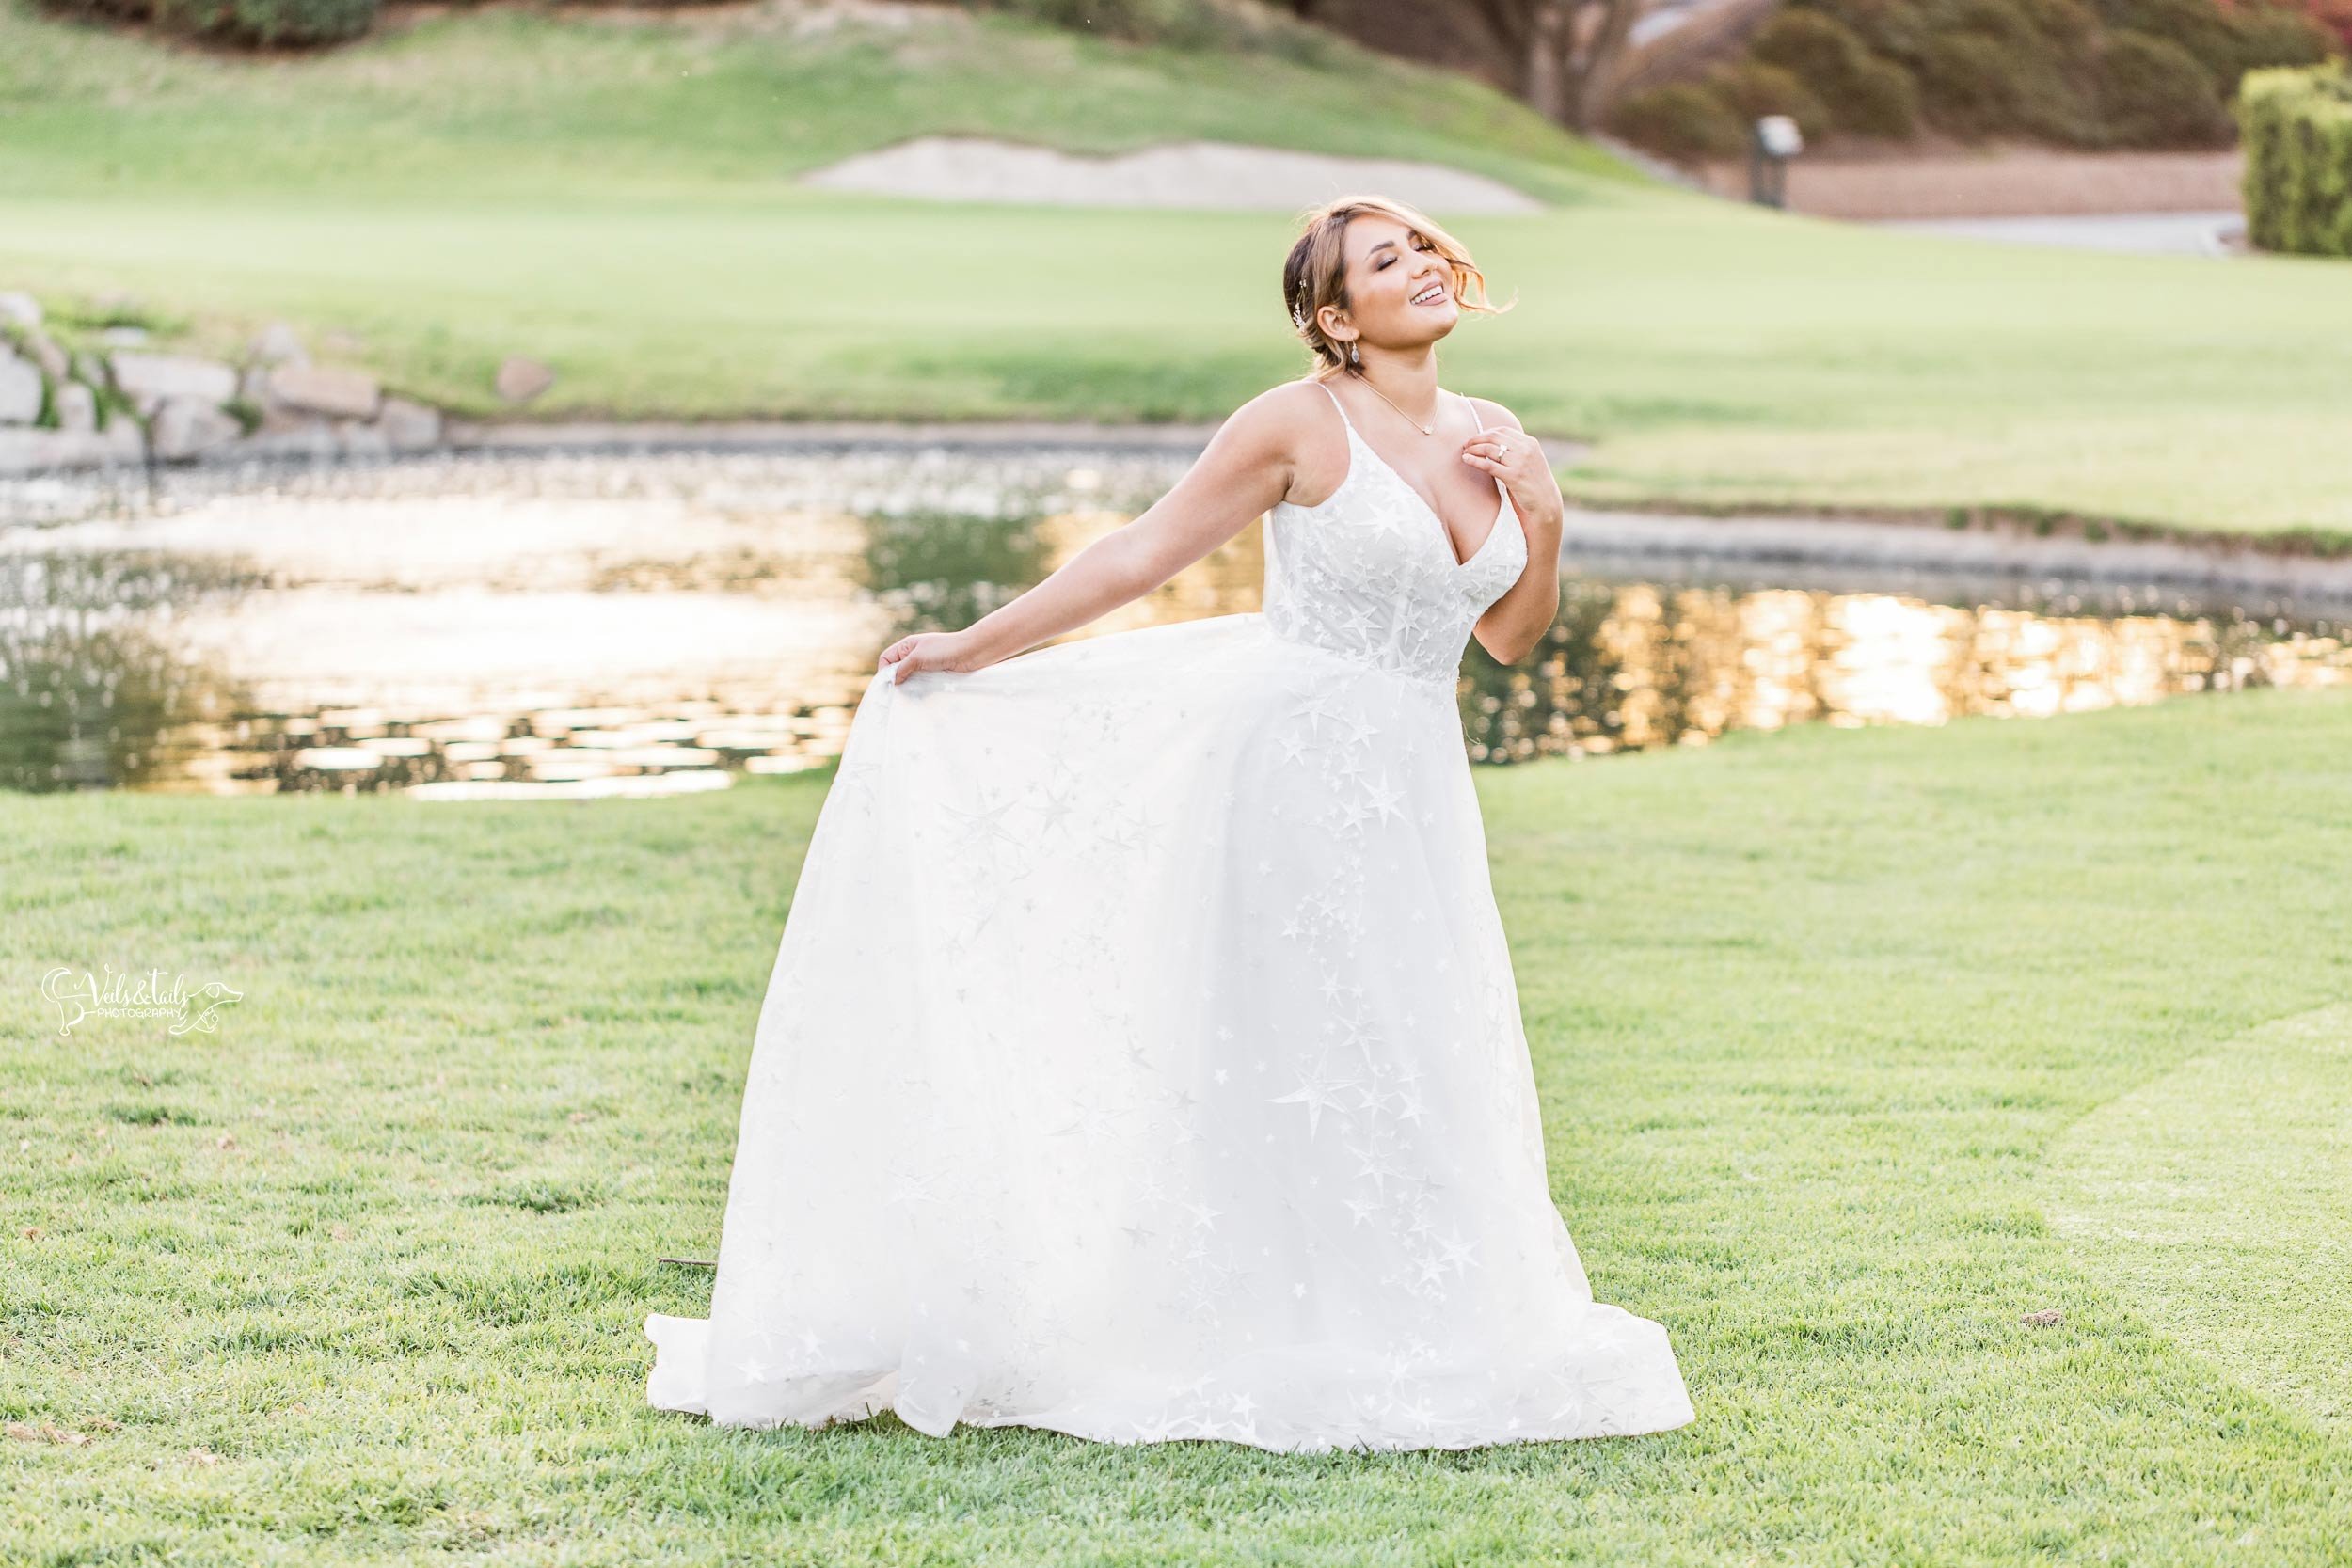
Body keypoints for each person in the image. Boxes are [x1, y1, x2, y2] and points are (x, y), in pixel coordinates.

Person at [644, 194, 1695, 1452]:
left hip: (1414, 783)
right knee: (1299, 1038)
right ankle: (1239, 1321)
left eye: (1419, 245)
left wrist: (1548, 512)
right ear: (1333, 316)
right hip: (1289, 778)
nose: (1417, 265)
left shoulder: (1493, 436)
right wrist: (978, 645)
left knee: (1417, 1035)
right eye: (1381, 260)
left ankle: (1415, 1314)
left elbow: (1509, 638)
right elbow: (1141, 552)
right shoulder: (1297, 423)